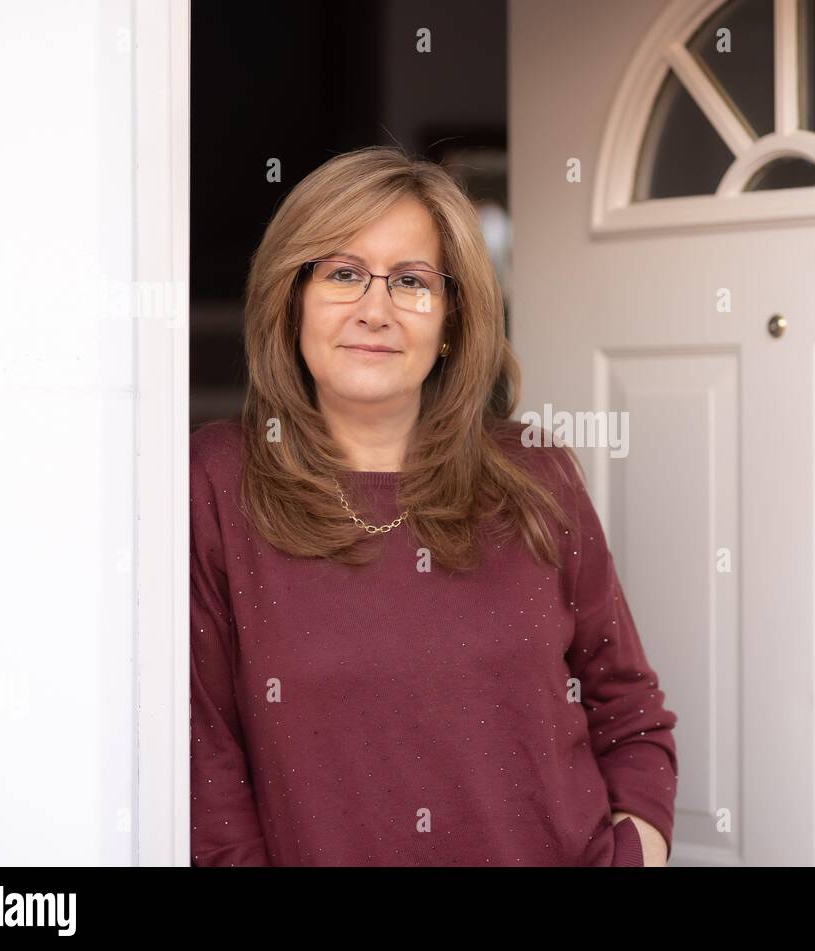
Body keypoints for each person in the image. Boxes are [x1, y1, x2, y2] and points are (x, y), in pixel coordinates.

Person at [190, 146, 679, 866]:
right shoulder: (220, 480)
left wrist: (638, 848)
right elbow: (206, 761)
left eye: (413, 282)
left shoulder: (536, 474)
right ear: (291, 299)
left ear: (451, 321)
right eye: (343, 274)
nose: (375, 310)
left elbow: (627, 707)